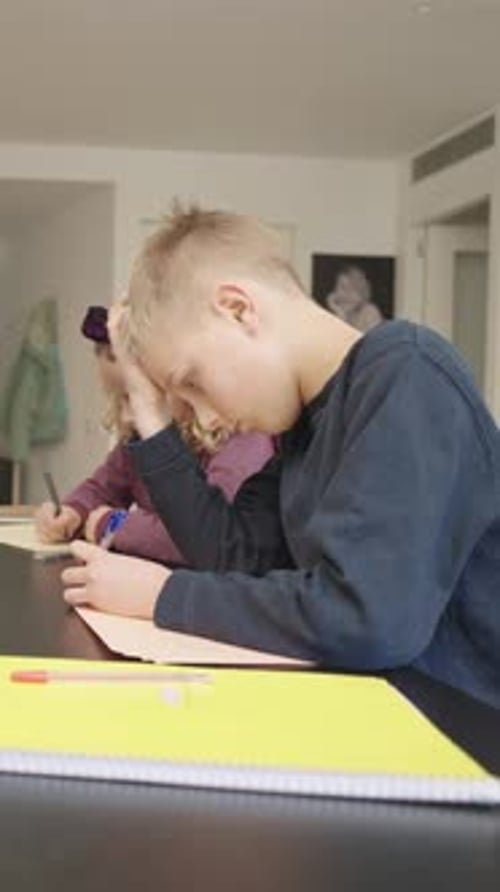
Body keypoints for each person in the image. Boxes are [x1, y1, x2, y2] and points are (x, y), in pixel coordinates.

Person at [62, 207, 500, 709]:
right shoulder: (305, 427)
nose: (206, 419)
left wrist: (163, 596)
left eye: (194, 382)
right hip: (382, 711)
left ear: (238, 309)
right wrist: (147, 411)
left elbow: (367, 618)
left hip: (464, 738)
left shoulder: (407, 373)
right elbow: (233, 557)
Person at [36, 305, 275, 563]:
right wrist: (74, 511)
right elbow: (104, 487)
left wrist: (113, 524)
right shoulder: (142, 436)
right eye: (119, 400)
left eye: (133, 398)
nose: (127, 417)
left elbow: (207, 535)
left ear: (185, 382)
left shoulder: (243, 442)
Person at [325, 265, 383, 332]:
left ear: (361, 292)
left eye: (351, 288)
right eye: (341, 287)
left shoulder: (370, 312)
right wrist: (339, 313)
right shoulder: (334, 311)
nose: (344, 294)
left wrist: (342, 317)